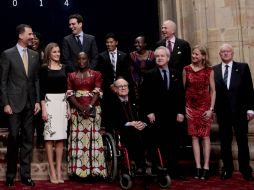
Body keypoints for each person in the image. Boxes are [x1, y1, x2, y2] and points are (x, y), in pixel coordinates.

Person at [0, 24, 41, 187]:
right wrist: (5, 103)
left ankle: (25, 175)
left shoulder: (34, 55)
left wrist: (37, 100)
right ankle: (10, 174)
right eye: (30, 34)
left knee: (27, 140)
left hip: (30, 104)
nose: (32, 37)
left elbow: (36, 80)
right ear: (21, 36)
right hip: (14, 104)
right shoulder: (7, 54)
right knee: (14, 138)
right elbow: (2, 82)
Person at [140, 46, 186, 179]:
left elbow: (180, 95)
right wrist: (149, 112)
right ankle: (157, 169)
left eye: (162, 56)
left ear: (168, 58)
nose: (159, 58)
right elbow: (144, 96)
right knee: (155, 143)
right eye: (157, 56)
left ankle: (174, 170)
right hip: (155, 115)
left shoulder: (176, 73)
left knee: (173, 143)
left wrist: (181, 112)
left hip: (173, 115)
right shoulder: (148, 74)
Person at [213, 43, 254, 181]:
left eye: (228, 51)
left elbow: (249, 89)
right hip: (223, 112)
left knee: (242, 141)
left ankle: (245, 170)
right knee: (225, 142)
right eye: (223, 51)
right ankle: (227, 169)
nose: (225, 53)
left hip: (240, 111)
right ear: (219, 54)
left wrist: (251, 109)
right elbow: (211, 92)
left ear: (232, 53)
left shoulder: (242, 67)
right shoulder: (214, 70)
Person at [67, 51, 107, 178]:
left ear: (88, 59)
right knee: (78, 141)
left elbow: (98, 91)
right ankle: (78, 171)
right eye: (79, 59)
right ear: (76, 60)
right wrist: (80, 108)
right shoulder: (71, 75)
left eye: (84, 58)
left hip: (93, 109)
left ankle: (95, 171)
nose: (81, 61)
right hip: (76, 111)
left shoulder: (96, 74)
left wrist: (89, 107)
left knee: (93, 140)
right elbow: (69, 93)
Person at [183, 45, 216, 180]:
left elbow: (213, 91)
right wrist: (184, 107)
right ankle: (197, 166)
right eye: (193, 54)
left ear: (203, 56)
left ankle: (206, 166)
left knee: (205, 137)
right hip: (191, 107)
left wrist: (211, 109)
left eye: (197, 54)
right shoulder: (186, 69)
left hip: (205, 107)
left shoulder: (209, 71)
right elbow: (183, 90)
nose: (194, 56)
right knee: (194, 137)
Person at [40, 42, 70, 184]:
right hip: (49, 103)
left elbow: (66, 89)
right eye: (54, 52)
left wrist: (68, 107)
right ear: (48, 54)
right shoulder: (44, 69)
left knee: (60, 138)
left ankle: (59, 170)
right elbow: (41, 91)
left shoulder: (64, 68)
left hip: (62, 103)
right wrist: (44, 108)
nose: (57, 54)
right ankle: (51, 170)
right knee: (49, 138)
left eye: (58, 52)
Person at [109, 77, 147, 173]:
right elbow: (112, 121)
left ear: (128, 88)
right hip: (123, 130)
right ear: (115, 89)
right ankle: (140, 163)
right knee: (133, 131)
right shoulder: (112, 103)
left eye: (125, 86)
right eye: (120, 86)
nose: (123, 88)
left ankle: (155, 164)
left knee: (151, 130)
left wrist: (143, 123)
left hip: (140, 128)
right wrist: (130, 124)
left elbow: (144, 114)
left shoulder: (135, 100)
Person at [95, 33, 131, 130]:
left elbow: (125, 72)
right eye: (107, 42)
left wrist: (118, 84)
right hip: (108, 88)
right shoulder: (102, 56)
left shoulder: (123, 55)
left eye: (111, 42)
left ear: (116, 43)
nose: (109, 44)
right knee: (109, 111)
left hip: (121, 87)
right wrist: (111, 85)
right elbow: (102, 73)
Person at [129, 35, 155, 106]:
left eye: (138, 42)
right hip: (137, 85)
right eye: (135, 43)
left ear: (145, 44)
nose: (136, 44)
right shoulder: (132, 55)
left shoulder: (153, 54)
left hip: (151, 84)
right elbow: (131, 71)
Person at [29, 31, 45, 148]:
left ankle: (40, 140)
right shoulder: (25, 53)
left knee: (39, 116)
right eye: (32, 38)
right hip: (28, 88)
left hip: (40, 87)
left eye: (36, 39)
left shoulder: (43, 54)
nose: (34, 41)